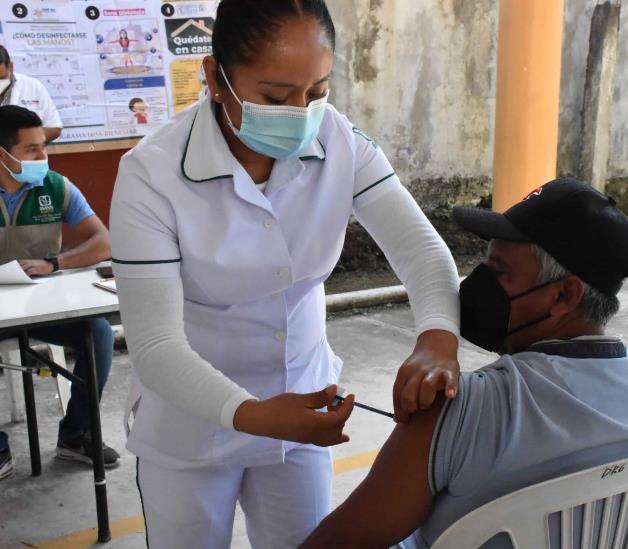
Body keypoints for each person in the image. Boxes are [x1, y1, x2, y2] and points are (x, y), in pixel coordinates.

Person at [109, 1, 460, 547]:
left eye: (316, 92)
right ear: (215, 78)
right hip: (191, 423)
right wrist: (250, 414)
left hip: (302, 404)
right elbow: (155, 346)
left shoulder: (338, 140)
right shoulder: (152, 174)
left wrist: (437, 338)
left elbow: (421, 249)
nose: (300, 114)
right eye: (275, 97)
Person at [302, 178, 628, 549]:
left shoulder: (461, 408)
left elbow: (337, 543)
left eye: (500, 272)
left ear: (563, 296)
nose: (477, 284)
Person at [0, 106, 119, 477]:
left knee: (97, 332)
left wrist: (56, 263)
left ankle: (75, 434)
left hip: (40, 306)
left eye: (44, 146)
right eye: (31, 150)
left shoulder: (55, 186)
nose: (43, 157)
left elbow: (104, 241)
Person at [0, 46, 63, 143]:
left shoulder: (33, 86)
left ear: (11, 68)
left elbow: (53, 127)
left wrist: (24, 145)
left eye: (2, 78)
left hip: (26, 157)